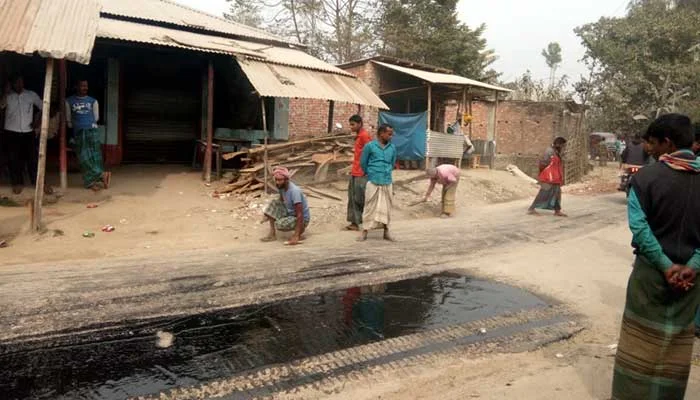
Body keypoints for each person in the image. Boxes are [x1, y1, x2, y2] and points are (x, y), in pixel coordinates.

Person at [611, 114, 700, 400]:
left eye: (654, 143)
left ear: (668, 143)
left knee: (639, 345)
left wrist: (665, 266)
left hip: (651, 275)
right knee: (675, 348)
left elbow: (640, 229)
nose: (650, 148)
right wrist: (692, 267)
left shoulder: (646, 178)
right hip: (690, 279)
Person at [1, 74, 51, 195]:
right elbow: (1, 106)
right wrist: (5, 93)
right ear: (12, 85)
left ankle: (38, 182)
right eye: (16, 82)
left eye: (20, 82)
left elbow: (44, 107)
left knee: (33, 159)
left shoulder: (31, 95)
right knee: (14, 160)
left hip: (28, 132)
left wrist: (37, 120)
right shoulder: (8, 97)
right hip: (11, 132)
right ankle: (17, 183)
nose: (19, 84)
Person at [66, 79, 110, 191]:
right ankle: (100, 175)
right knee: (84, 158)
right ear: (77, 87)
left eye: (86, 86)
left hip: (92, 130)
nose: (85, 88)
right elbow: (68, 119)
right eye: (82, 86)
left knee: (95, 157)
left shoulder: (93, 101)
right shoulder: (69, 101)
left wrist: (88, 124)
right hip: (79, 132)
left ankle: (92, 182)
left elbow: (96, 118)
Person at [358, 124, 397, 242]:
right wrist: (370, 172)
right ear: (381, 134)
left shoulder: (392, 148)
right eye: (389, 134)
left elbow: (392, 162)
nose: (391, 136)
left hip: (387, 181)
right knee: (369, 207)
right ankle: (364, 232)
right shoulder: (370, 146)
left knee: (386, 208)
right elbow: (363, 162)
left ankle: (386, 232)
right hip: (373, 180)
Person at [260, 166, 310, 246]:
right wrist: (269, 213)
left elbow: (300, 214)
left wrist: (296, 236)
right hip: (290, 212)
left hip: (302, 218)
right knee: (274, 203)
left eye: (280, 180)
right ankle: (272, 235)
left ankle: (300, 231)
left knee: (280, 224)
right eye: (276, 180)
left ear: (286, 180)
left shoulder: (294, 191)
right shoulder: (281, 187)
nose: (277, 182)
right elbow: (281, 200)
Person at [527, 137, 567, 217]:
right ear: (558, 144)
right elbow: (543, 164)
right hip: (548, 177)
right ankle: (531, 209)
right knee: (543, 193)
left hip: (555, 178)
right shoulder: (549, 151)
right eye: (562, 145)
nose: (563, 147)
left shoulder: (556, 152)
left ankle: (557, 210)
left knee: (557, 194)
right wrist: (543, 175)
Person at [345, 114, 371, 231]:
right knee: (352, 197)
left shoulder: (364, 136)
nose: (351, 127)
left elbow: (371, 152)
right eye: (350, 124)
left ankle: (363, 221)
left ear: (359, 124)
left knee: (359, 198)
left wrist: (367, 170)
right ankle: (355, 222)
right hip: (355, 171)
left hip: (362, 172)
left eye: (353, 124)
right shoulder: (359, 136)